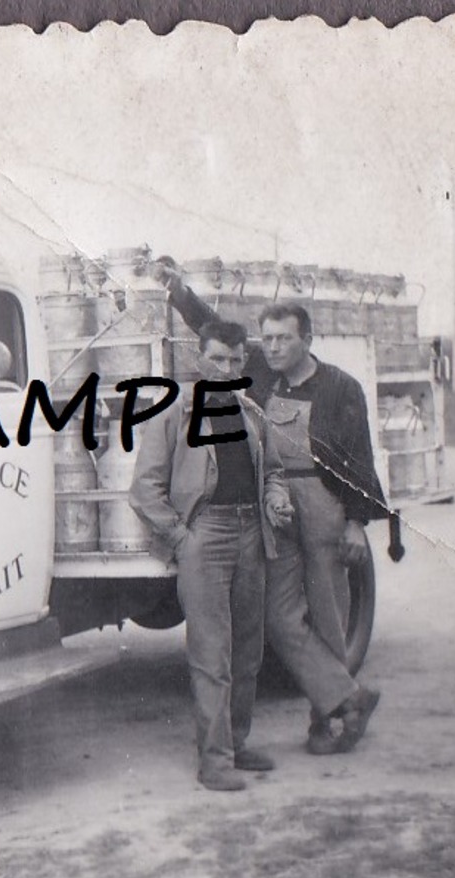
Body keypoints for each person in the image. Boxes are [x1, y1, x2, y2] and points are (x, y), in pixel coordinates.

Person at [162, 268, 386, 754]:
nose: (275, 346)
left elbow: (360, 459)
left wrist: (356, 522)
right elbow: (215, 323)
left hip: (324, 504)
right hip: (278, 508)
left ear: (307, 339)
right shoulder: (261, 374)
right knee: (280, 619)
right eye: (268, 339)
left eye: (285, 338)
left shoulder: (339, 387)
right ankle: (349, 699)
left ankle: (327, 723)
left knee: (329, 619)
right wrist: (182, 296)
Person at [128, 319, 292, 791]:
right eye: (218, 358)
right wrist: (182, 538)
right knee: (211, 653)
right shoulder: (174, 412)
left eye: (237, 360)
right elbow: (144, 490)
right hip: (206, 535)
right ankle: (214, 759)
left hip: (251, 533)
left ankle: (237, 744)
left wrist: (275, 497)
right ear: (199, 358)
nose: (227, 368)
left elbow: (274, 471)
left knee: (248, 650)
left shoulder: (251, 411)